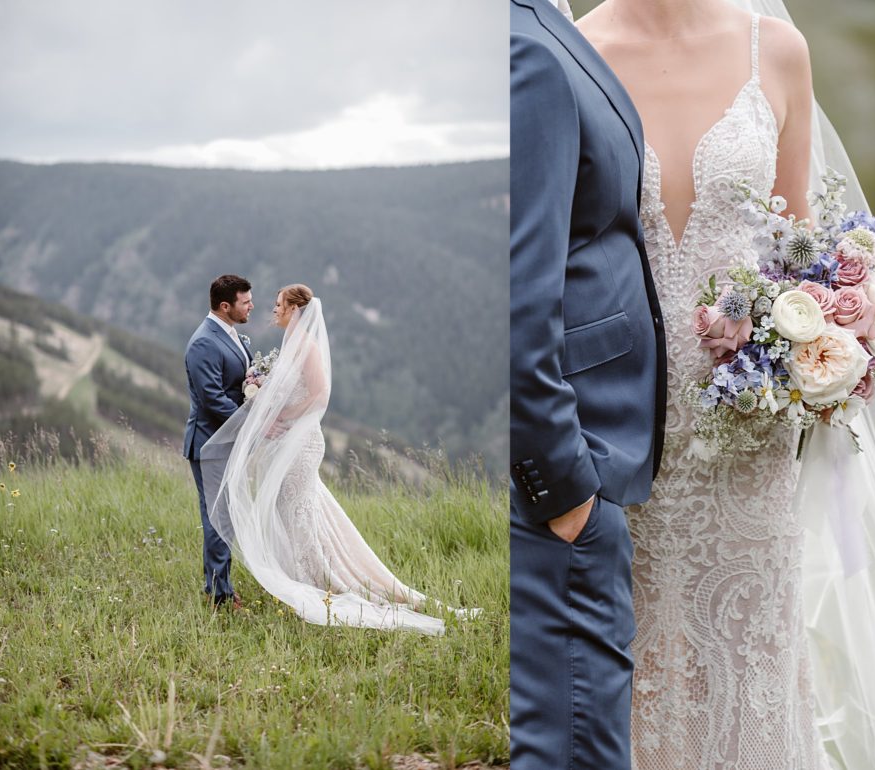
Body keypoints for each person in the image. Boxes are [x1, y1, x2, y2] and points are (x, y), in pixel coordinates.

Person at [576, 0, 875, 767]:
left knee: (750, 656)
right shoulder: (573, 53)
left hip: (747, 427)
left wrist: (820, 337)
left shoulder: (774, 50)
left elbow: (800, 247)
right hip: (617, 427)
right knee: (632, 658)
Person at [509, 0, 667, 766]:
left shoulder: (542, 26)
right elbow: (515, 298)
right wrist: (565, 491)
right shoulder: (522, 51)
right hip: (561, 493)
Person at [200, 284, 451, 635]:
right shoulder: (289, 343)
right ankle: (318, 573)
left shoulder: (306, 345)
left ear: (294, 309)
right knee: (294, 509)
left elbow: (319, 394)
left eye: (278, 305)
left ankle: (316, 581)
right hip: (287, 441)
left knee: (298, 509)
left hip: (301, 442)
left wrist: (282, 417)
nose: (272, 310)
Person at [183, 274, 254, 609]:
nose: (252, 306)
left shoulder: (230, 332)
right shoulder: (203, 342)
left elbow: (236, 383)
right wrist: (253, 422)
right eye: (245, 302)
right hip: (209, 444)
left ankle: (222, 585)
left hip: (227, 442)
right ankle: (219, 596)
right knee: (217, 518)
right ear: (225, 306)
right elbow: (211, 398)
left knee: (227, 516)